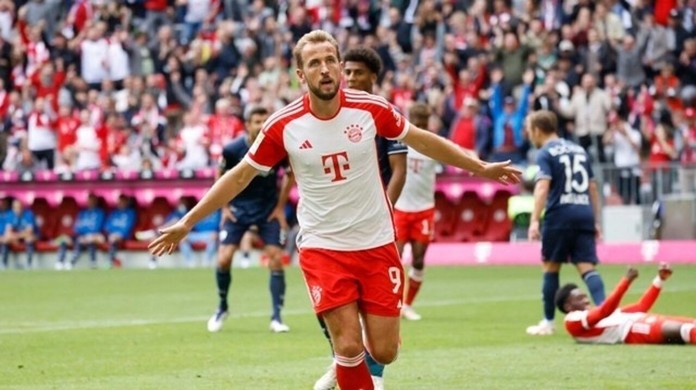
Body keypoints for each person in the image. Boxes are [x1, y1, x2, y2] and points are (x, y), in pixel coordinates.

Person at [149, 30, 520, 390]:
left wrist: (481, 167)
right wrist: (188, 221)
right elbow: (239, 176)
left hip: (376, 241)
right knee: (347, 345)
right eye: (314, 63)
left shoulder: (371, 108)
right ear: (300, 75)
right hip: (323, 247)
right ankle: (349, 370)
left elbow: (422, 139)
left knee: (385, 351)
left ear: (340, 66)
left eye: (330, 61)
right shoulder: (283, 125)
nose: (325, 69)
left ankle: (347, 370)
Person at [314, 45, 408, 390]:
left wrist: (385, 212)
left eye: (358, 73)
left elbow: (399, 171)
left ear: (373, 77)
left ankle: (374, 372)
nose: (351, 78)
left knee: (378, 321)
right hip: (331, 229)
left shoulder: (383, 115)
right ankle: (344, 363)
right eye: (348, 72)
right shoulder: (328, 111)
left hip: (374, 226)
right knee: (334, 312)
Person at [206, 106, 294, 334]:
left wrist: (280, 207)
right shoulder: (232, 149)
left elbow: (290, 174)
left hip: (267, 211)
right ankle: (222, 307)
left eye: (266, 120)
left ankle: (276, 317)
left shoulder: (278, 148)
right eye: (257, 121)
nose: (262, 124)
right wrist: (224, 207)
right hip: (238, 210)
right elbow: (221, 176)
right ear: (247, 124)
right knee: (224, 259)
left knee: (275, 259)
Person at [525, 110, 607, 336]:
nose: (529, 134)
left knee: (551, 266)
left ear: (538, 130)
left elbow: (542, 186)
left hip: (559, 214)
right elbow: (592, 187)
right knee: (587, 267)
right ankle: (606, 314)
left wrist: (534, 220)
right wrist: (595, 219)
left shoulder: (545, 153)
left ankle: (548, 322)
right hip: (583, 213)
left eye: (530, 130)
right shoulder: (579, 149)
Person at [556, 264, 696, 346]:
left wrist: (659, 280)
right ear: (568, 306)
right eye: (580, 298)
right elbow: (604, 311)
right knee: (685, 329)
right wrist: (626, 281)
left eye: (585, 296)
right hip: (632, 330)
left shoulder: (599, 315)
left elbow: (641, 307)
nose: (586, 300)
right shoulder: (572, 320)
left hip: (643, 319)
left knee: (691, 324)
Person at [394, 102, 440, 321]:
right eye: (417, 122)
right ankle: (394, 303)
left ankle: (408, 305)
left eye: (424, 123)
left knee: (419, 260)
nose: (420, 127)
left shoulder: (432, 145)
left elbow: (457, 153)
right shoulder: (399, 142)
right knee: (395, 257)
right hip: (401, 209)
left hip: (424, 210)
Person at [56, 194, 105, 270]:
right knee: (64, 240)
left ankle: (72, 263)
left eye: (92, 200)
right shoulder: (82, 213)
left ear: (96, 201)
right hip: (79, 236)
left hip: (92, 236)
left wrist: (87, 235)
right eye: (89, 200)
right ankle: (59, 262)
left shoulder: (100, 213)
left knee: (85, 241)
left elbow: (97, 228)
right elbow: (77, 227)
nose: (90, 202)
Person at [0, 199, 38, 269]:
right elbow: (8, 232)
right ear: (13, 208)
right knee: (5, 240)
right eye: (15, 207)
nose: (18, 209)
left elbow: (29, 232)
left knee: (29, 239)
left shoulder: (28, 214)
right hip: (17, 237)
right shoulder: (10, 215)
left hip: (31, 237)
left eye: (19, 207)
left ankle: (29, 264)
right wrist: (14, 238)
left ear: (23, 207)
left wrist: (16, 237)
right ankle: (4, 264)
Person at [103, 194, 136, 268]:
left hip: (125, 236)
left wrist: (119, 234)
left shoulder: (131, 213)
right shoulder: (114, 213)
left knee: (115, 238)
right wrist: (112, 233)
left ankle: (110, 261)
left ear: (126, 202)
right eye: (119, 201)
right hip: (111, 236)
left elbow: (128, 227)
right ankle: (111, 260)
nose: (120, 203)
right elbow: (107, 226)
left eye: (122, 201)